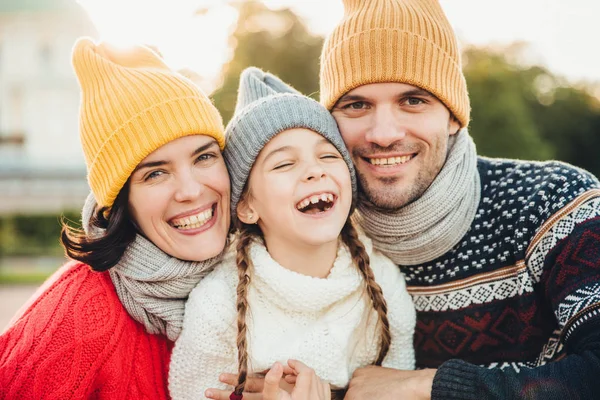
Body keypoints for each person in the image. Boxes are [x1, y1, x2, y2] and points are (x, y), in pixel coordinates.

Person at [316, 0, 600, 399]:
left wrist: (427, 386)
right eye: (356, 105)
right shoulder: (316, 235)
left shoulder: (553, 203)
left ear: (452, 116)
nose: (382, 133)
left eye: (413, 100)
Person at [0, 37, 230, 399]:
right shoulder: (71, 326)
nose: (190, 190)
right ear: (120, 201)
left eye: (204, 157)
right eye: (155, 173)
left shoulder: (257, 282)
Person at [167, 67, 416, 400]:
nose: (314, 171)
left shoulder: (382, 280)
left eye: (328, 156)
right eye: (284, 164)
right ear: (246, 206)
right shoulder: (219, 302)